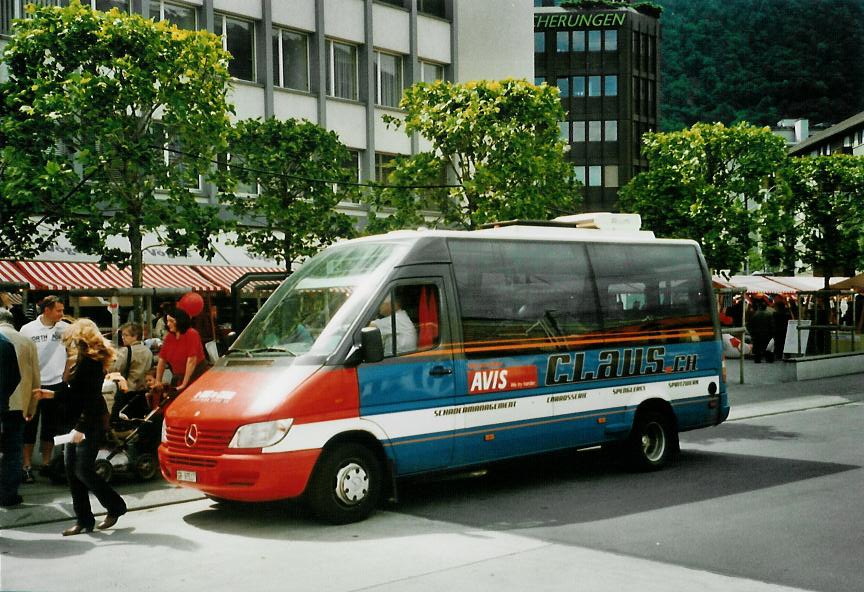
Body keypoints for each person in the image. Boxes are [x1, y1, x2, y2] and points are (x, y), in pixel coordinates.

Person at [34, 318, 126, 535]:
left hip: (88, 423)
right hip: (80, 421)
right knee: (72, 471)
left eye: (73, 337)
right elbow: (76, 394)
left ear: (81, 337)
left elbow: (90, 398)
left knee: (81, 470)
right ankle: (84, 520)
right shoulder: (85, 360)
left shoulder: (89, 363)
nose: (70, 341)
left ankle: (114, 506)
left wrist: (80, 428)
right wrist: (51, 394)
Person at [19, 295, 70, 483]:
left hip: (56, 384)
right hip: (35, 383)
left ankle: (47, 464)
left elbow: (71, 353)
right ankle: (26, 466)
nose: (62, 314)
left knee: (51, 426)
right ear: (46, 310)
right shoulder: (28, 329)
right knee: (29, 426)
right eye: (59, 310)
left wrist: (65, 376)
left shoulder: (65, 328)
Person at [0, 309, 40, 507]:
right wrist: (32, 406)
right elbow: (35, 378)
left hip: (3, 401)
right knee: (13, 449)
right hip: (18, 404)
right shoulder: (26, 341)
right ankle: (9, 492)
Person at [108, 322, 153, 428]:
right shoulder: (148, 351)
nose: (123, 338)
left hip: (126, 393)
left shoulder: (126, 351)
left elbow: (115, 369)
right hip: (141, 393)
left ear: (135, 336)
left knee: (119, 422)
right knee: (138, 424)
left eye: (126, 335)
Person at [155, 307, 206, 392]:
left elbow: (191, 361)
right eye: (167, 321)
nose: (168, 324)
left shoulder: (192, 334)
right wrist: (158, 381)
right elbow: (162, 360)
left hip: (196, 376)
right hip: (178, 376)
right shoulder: (169, 337)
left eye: (171, 321)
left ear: (180, 320)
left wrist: (184, 384)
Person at [747, 299, 776, 363]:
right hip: (767, 334)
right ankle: (769, 359)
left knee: (757, 348)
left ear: (759, 307)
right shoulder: (769, 314)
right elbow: (772, 325)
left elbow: (749, 325)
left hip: (756, 334)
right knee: (768, 347)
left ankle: (757, 359)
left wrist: (752, 333)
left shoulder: (754, 315)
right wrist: (772, 333)